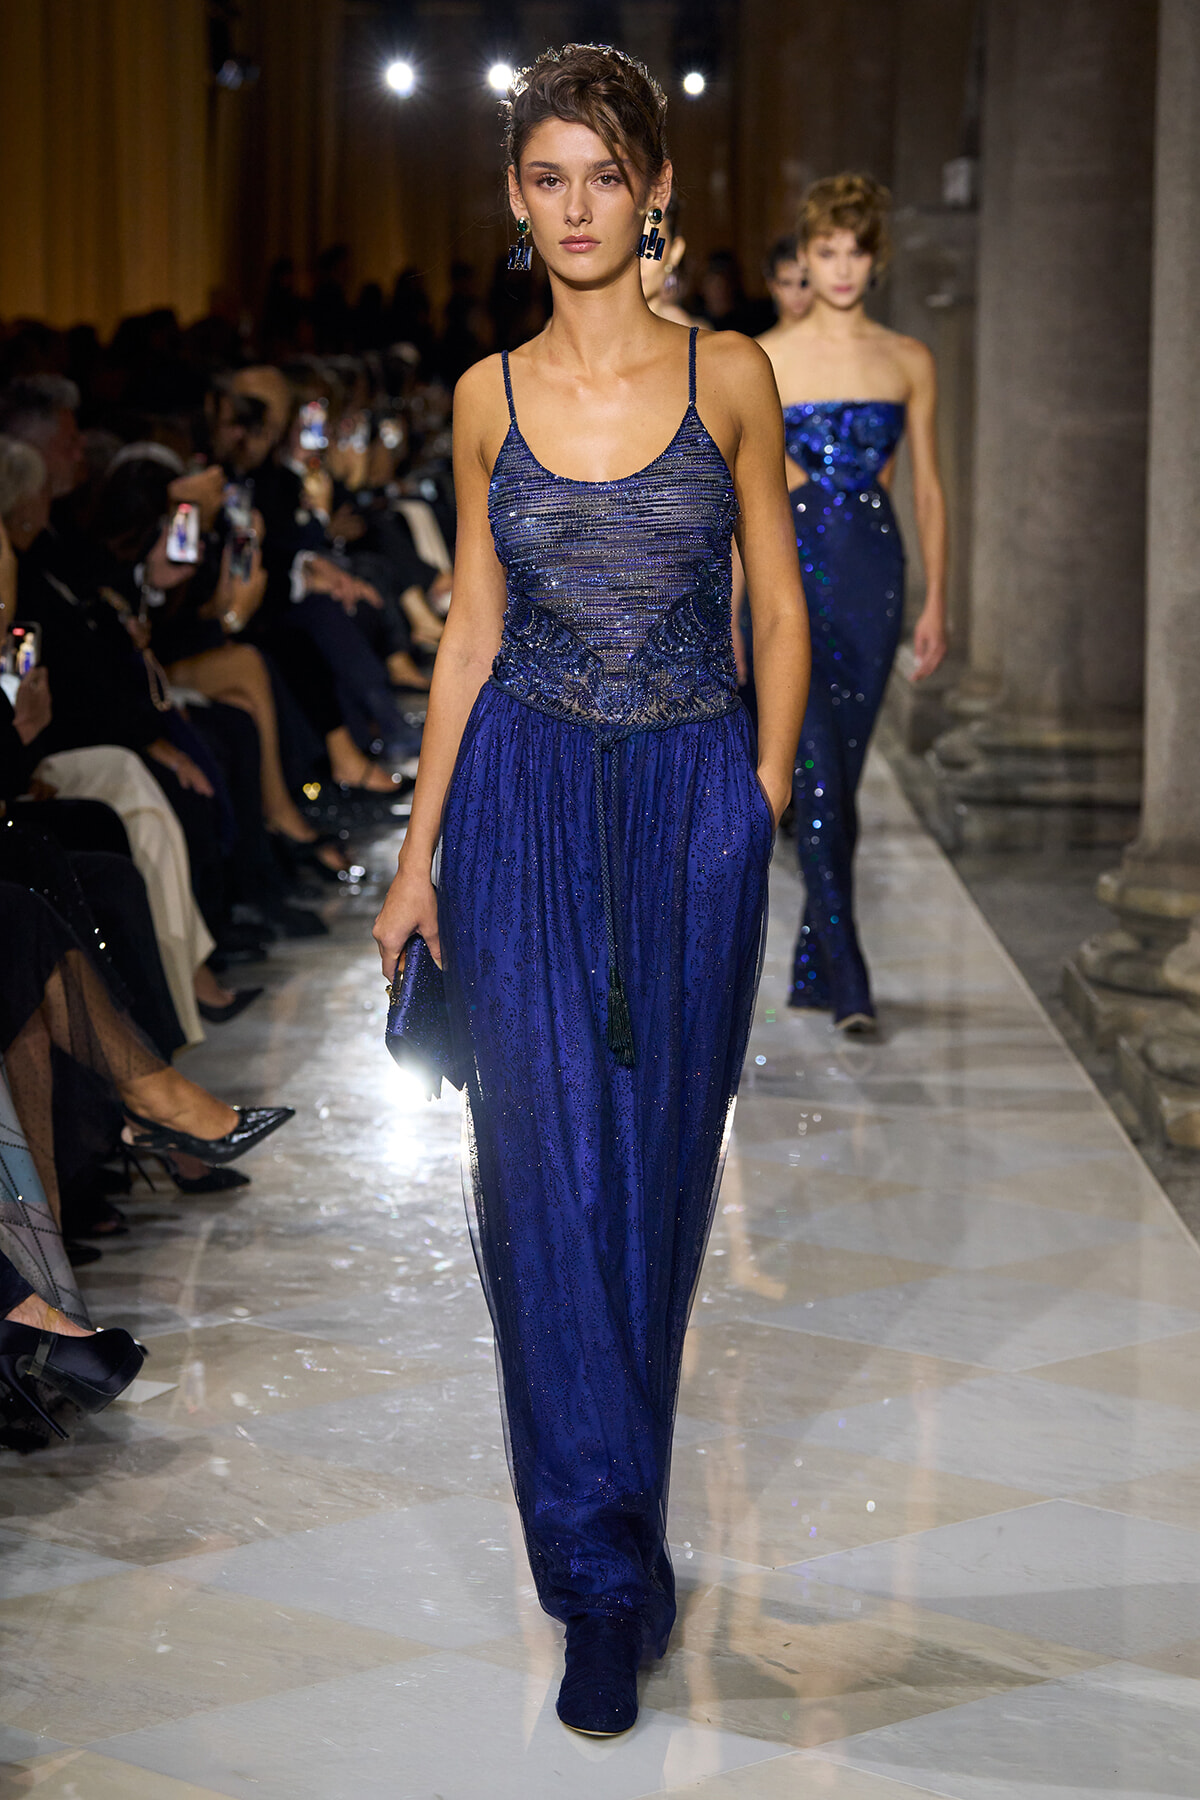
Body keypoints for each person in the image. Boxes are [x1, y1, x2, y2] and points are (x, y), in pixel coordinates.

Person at [373, 43, 809, 1737]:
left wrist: (754, 804)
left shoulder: (732, 378)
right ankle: (599, 1578)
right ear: (514, 199)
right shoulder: (486, 393)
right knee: (543, 1181)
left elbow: (776, 604)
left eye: (601, 178)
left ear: (655, 194)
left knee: (654, 1190)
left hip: (689, 799)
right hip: (523, 809)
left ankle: (618, 1512)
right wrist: (417, 861)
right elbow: (473, 635)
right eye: (544, 178)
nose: (573, 208)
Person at [759, 173, 948, 1030]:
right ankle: (851, 980)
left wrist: (935, 602)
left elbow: (929, 491)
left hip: (874, 574)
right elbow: (747, 493)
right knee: (818, 776)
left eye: (855, 251)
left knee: (844, 777)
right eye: (825, 252)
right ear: (805, 256)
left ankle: (813, 963)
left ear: (876, 259)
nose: (840, 268)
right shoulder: (766, 357)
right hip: (791, 576)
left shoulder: (908, 360)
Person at [639, 195, 702, 327]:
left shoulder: (691, 335)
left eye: (651, 245)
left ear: (675, 252)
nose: (638, 259)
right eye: (628, 245)